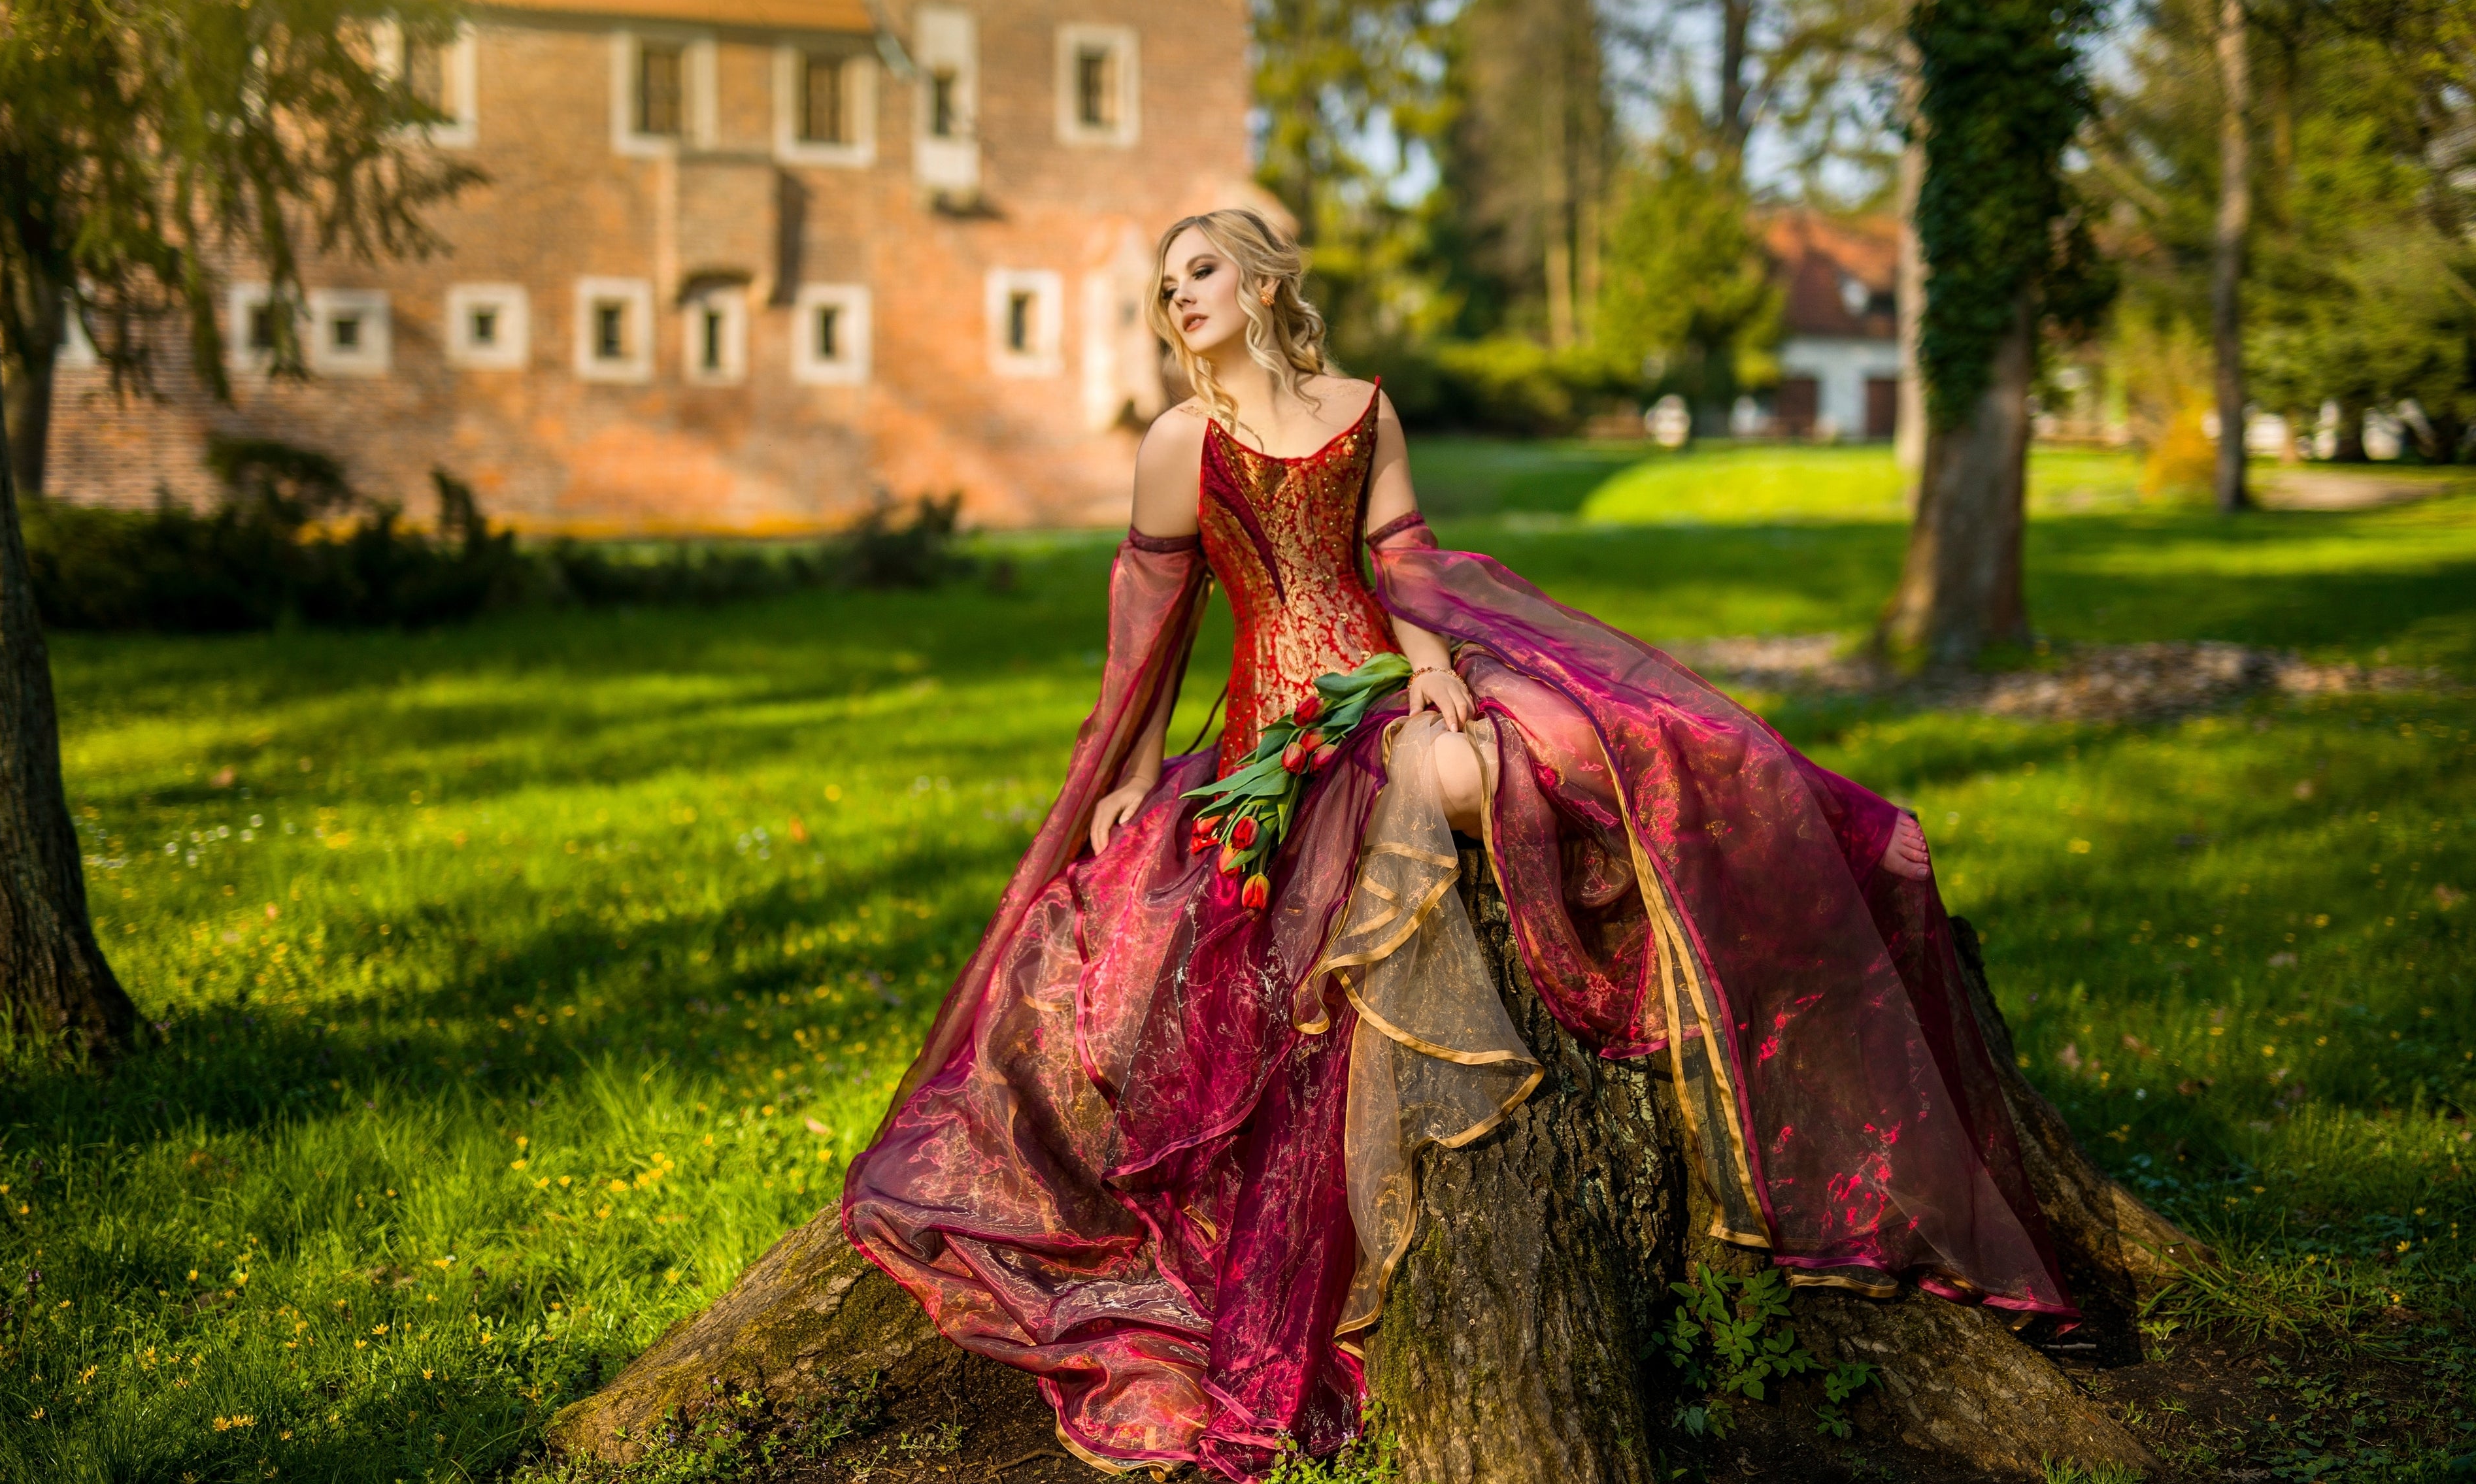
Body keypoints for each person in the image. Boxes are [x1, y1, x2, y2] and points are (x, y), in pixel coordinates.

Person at [844, 208, 2070, 1481]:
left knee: (1506, 747)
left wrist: (1429, 664)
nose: (1179, 295)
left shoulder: (1368, 409)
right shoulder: (1177, 442)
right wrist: (1132, 772)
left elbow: (1405, 565)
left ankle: (1702, 870)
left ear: (1265, 282)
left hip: (1380, 689)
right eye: (1165, 283)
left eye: (1201, 269)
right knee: (1461, 776)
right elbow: (1148, 627)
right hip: (1281, 741)